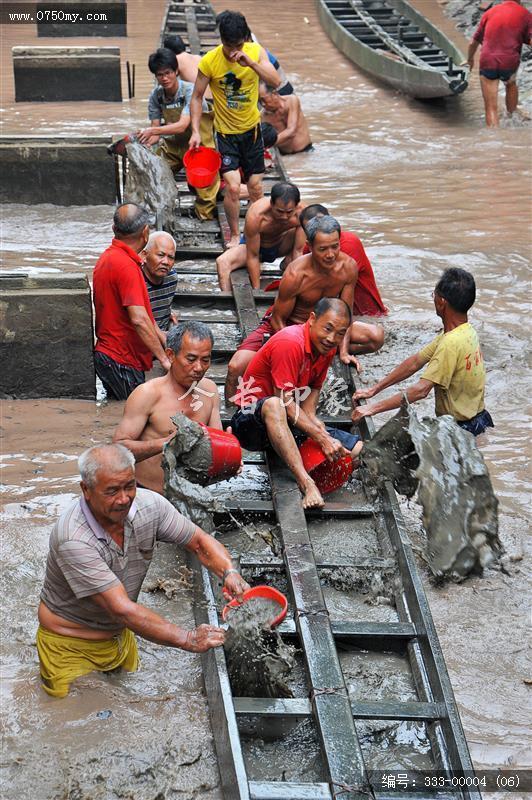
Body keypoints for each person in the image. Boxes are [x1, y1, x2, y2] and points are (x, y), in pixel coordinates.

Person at [36, 444, 248, 698]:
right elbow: (121, 609)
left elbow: (199, 542)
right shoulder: (74, 538)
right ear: (86, 490)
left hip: (119, 636)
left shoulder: (151, 507)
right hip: (69, 643)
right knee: (70, 716)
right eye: (112, 491)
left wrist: (228, 573)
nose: (124, 498)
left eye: (129, 486)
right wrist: (188, 638)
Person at [225, 215, 384, 404]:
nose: (331, 254)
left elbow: (345, 315)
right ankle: (232, 414)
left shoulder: (348, 267)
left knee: (376, 337)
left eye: (335, 246)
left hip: (327, 326)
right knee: (236, 367)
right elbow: (278, 320)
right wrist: (295, 351)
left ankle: (324, 352)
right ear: (309, 245)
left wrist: (342, 352)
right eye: (323, 249)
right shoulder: (296, 274)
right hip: (290, 328)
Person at [230, 298, 363, 510]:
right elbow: (286, 403)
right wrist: (320, 437)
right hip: (251, 422)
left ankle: (305, 463)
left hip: (286, 422)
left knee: (357, 449)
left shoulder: (327, 348)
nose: (332, 338)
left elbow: (312, 396)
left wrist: (318, 429)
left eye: (340, 333)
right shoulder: (290, 342)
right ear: (312, 319)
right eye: (328, 328)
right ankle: (306, 482)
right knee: (275, 405)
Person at [352, 268, 494, 437]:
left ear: (441, 302)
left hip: (463, 431)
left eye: (433, 294)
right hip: (481, 420)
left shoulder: (450, 343)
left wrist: (372, 408)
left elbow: (421, 390)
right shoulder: (465, 331)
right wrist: (374, 390)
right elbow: (415, 362)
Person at [189, 10, 280, 248]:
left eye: (238, 45)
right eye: (229, 46)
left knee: (255, 187)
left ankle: (255, 232)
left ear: (244, 39)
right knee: (231, 187)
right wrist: (196, 131)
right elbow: (197, 97)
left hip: (252, 132)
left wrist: (249, 63)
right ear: (222, 40)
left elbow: (276, 81)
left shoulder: (255, 52)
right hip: (226, 134)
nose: (233, 52)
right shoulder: (210, 61)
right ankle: (233, 234)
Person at [113, 322, 221, 493]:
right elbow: (118, 449)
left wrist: (230, 457)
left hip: (193, 494)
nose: (199, 368)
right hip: (148, 493)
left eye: (205, 360)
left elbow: (216, 445)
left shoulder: (210, 391)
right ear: (171, 355)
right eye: (191, 359)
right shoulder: (147, 394)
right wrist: (165, 444)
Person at [93, 204, 171, 401]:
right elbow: (139, 319)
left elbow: (144, 316)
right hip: (121, 359)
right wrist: (163, 359)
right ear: (145, 232)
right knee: (135, 418)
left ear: (114, 228)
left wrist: (164, 338)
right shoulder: (126, 266)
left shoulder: (108, 258)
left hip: (110, 356)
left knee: (119, 413)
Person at [137, 48, 219, 221]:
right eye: (160, 75)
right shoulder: (156, 96)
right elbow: (155, 132)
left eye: (168, 73)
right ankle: (161, 215)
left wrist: (153, 131)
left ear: (176, 72)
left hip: (198, 144)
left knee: (205, 191)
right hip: (173, 145)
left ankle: (204, 217)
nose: (164, 78)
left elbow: (182, 125)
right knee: (154, 173)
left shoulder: (190, 91)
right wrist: (144, 140)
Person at [215, 181, 305, 291]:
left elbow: (298, 251)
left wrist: (298, 285)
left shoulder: (302, 214)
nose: (284, 217)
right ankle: (227, 300)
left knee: (313, 238)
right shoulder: (257, 216)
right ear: (271, 204)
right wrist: (257, 289)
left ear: (296, 206)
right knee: (222, 263)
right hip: (256, 248)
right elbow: (253, 256)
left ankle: (287, 263)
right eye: (280, 212)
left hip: (282, 245)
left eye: (289, 212)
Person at [299, 204, 387, 317]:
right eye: (310, 229)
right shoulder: (308, 249)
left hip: (364, 313)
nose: (315, 230)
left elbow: (330, 282)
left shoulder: (350, 244)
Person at [465, 0, 531, 127]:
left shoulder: (490, 12)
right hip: (509, 63)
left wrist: (470, 59)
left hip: (488, 61)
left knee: (491, 108)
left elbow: (473, 42)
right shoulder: (525, 14)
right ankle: (512, 115)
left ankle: (494, 138)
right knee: (511, 82)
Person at [141, 231, 178, 339]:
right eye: (160, 255)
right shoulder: (136, 280)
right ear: (144, 255)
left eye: (171, 257)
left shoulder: (171, 278)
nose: (166, 262)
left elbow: (165, 306)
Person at [259, 83, 312, 155]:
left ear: (274, 94)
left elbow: (291, 131)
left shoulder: (292, 101)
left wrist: (268, 144)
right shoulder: (263, 116)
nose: (263, 104)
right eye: (259, 101)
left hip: (306, 151)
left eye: (263, 99)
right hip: (284, 156)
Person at [162, 34, 213, 99]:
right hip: (211, 98)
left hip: (199, 100)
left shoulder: (176, 60)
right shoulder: (198, 57)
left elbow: (170, 82)